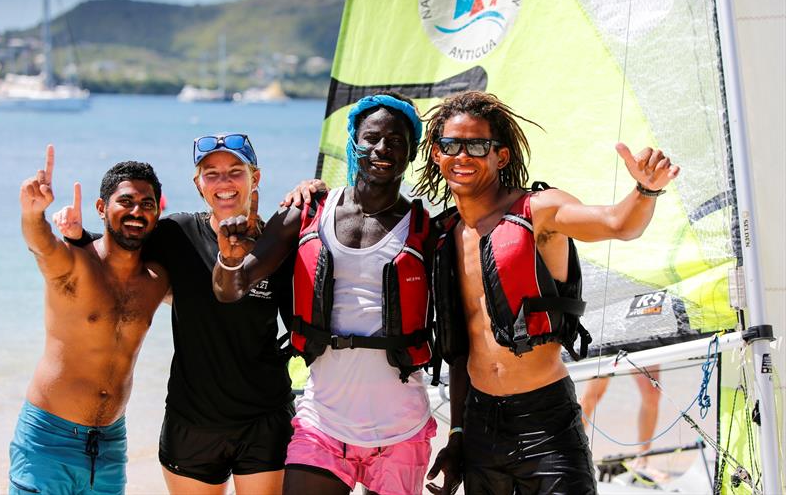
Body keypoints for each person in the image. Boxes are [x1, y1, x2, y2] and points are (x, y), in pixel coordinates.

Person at [417, 91, 680, 495]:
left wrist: (645, 191)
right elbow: (460, 351)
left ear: (500, 156)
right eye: (450, 145)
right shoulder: (445, 235)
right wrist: (457, 434)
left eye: (476, 145)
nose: (462, 156)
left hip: (545, 421)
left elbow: (616, 224)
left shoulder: (540, 211)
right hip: (480, 426)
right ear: (437, 154)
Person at [213, 93, 437, 495]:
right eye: (371, 138)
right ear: (354, 141)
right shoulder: (306, 212)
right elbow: (231, 290)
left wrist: (460, 432)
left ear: (411, 152)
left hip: (402, 429)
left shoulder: (427, 230)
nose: (382, 149)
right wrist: (228, 257)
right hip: (323, 424)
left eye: (396, 141)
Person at [55, 134, 298, 495]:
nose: (224, 182)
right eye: (211, 173)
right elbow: (120, 251)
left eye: (235, 171)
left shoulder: (277, 243)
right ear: (198, 184)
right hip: (192, 420)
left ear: (255, 178)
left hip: (264, 418)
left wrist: (313, 187)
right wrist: (75, 236)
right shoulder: (177, 233)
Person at [10, 146, 169, 495]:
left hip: (110, 445)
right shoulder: (74, 265)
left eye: (146, 204)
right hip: (48, 441)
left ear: (159, 211)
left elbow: (207, 296)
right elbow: (42, 246)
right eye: (125, 201)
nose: (136, 211)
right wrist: (32, 213)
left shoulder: (157, 281)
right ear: (101, 207)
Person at [580, 365, 662, 467]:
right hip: (606, 350)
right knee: (592, 396)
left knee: (652, 393)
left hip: (636, 348)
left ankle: (642, 460)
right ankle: (571, 454)